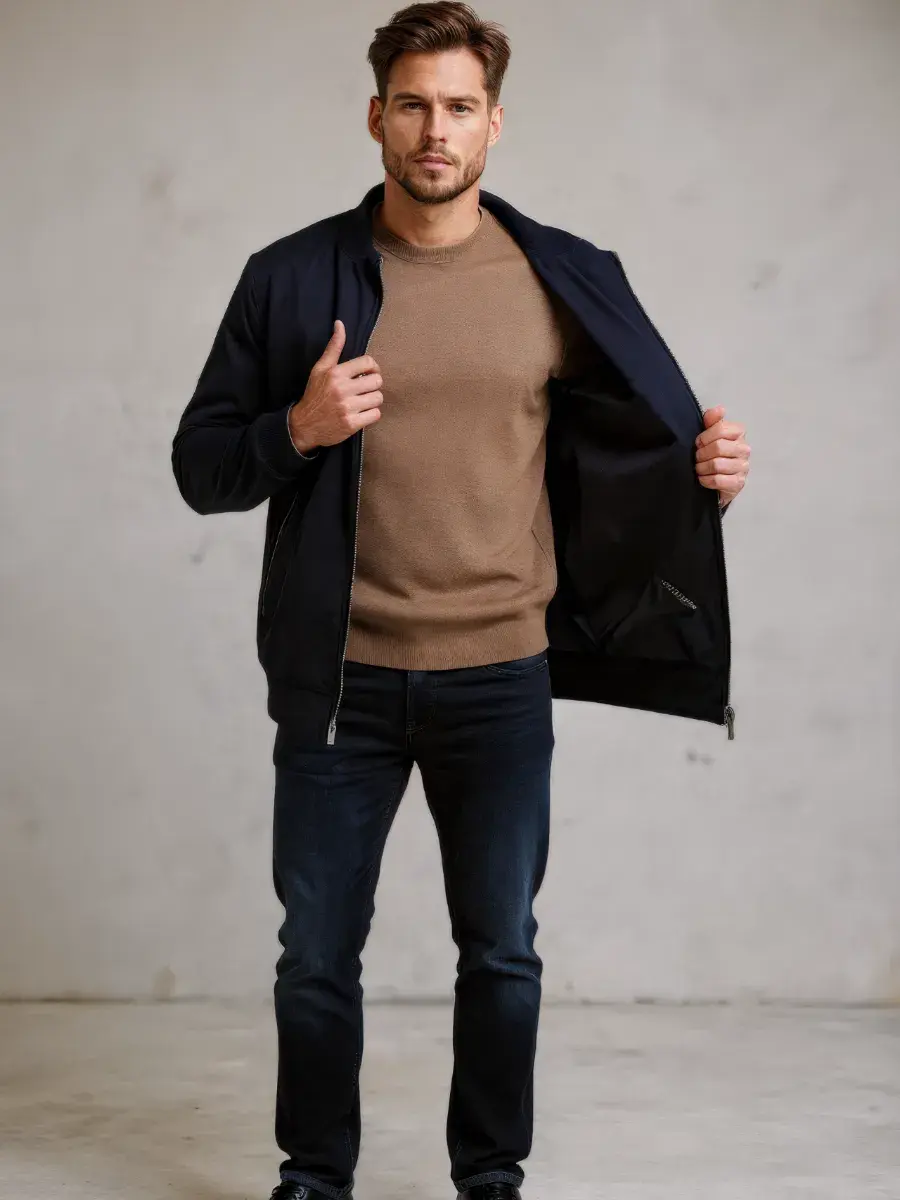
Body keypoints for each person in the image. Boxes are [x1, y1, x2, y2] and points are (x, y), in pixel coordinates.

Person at [171, 4, 751, 1198]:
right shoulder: (291, 279)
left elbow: (637, 451)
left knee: (502, 953)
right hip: (341, 685)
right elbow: (200, 465)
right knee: (315, 957)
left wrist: (710, 478)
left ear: (494, 124)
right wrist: (298, 429)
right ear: (375, 116)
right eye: (414, 105)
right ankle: (313, 1178)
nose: (436, 131)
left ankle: (491, 1177)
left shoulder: (563, 280)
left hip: (500, 676)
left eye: (460, 107)